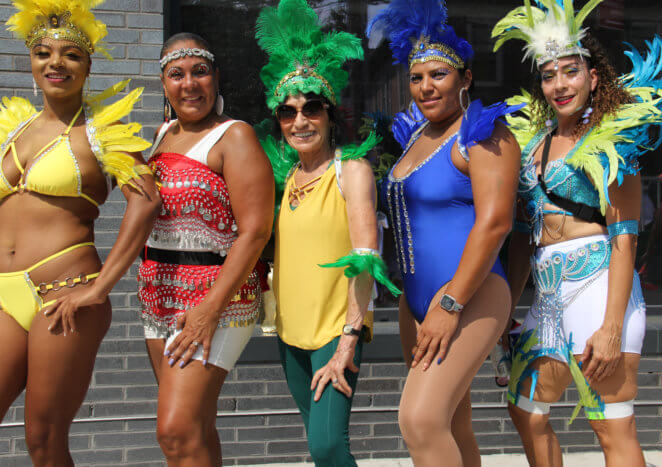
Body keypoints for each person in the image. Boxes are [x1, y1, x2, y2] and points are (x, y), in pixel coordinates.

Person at [492, 1, 662, 465]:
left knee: (610, 428)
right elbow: (523, 238)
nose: (559, 84)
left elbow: (626, 238)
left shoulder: (613, 137)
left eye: (570, 71)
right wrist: (506, 310)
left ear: (593, 76)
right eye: (548, 75)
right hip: (547, 299)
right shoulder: (531, 145)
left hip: (600, 292)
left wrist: (612, 328)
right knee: (526, 410)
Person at [0, 0, 159, 464]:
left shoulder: (102, 132)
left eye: (71, 54)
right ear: (31, 62)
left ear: (88, 65)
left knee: (43, 437)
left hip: (65, 293)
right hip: (6, 294)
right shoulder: (12, 129)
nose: (56, 63)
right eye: (44, 52)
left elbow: (147, 201)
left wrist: (101, 287)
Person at [367, 1, 522, 465]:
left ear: (466, 79)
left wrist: (451, 303)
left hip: (468, 296)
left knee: (420, 421)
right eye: (416, 78)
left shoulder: (483, 132)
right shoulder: (415, 137)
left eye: (439, 75)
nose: (425, 87)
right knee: (453, 423)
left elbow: (496, 222)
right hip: (414, 302)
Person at [255, 0, 400, 464]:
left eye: (312, 107)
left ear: (330, 113)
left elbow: (365, 258)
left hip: (335, 334)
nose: (299, 120)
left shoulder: (351, 171)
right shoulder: (283, 180)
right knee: (320, 448)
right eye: (288, 111)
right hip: (289, 333)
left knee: (328, 444)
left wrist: (348, 341)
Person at [137, 33, 274, 465]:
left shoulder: (234, 136)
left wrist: (209, 310)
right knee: (192, 428)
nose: (190, 84)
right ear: (164, 84)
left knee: (174, 429)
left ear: (215, 78)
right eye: (176, 74)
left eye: (200, 72)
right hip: (158, 296)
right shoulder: (160, 136)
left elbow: (255, 231)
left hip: (216, 297)